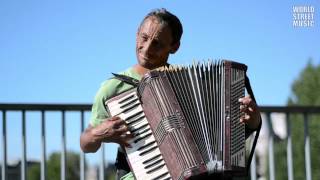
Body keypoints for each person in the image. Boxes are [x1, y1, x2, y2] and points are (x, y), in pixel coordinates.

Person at [80, 8, 261, 180]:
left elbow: (221, 138)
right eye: (143, 38)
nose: (147, 48)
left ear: (174, 47)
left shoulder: (193, 84)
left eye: (157, 43)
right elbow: (86, 143)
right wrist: (98, 133)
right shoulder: (114, 88)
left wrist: (253, 123)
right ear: (136, 35)